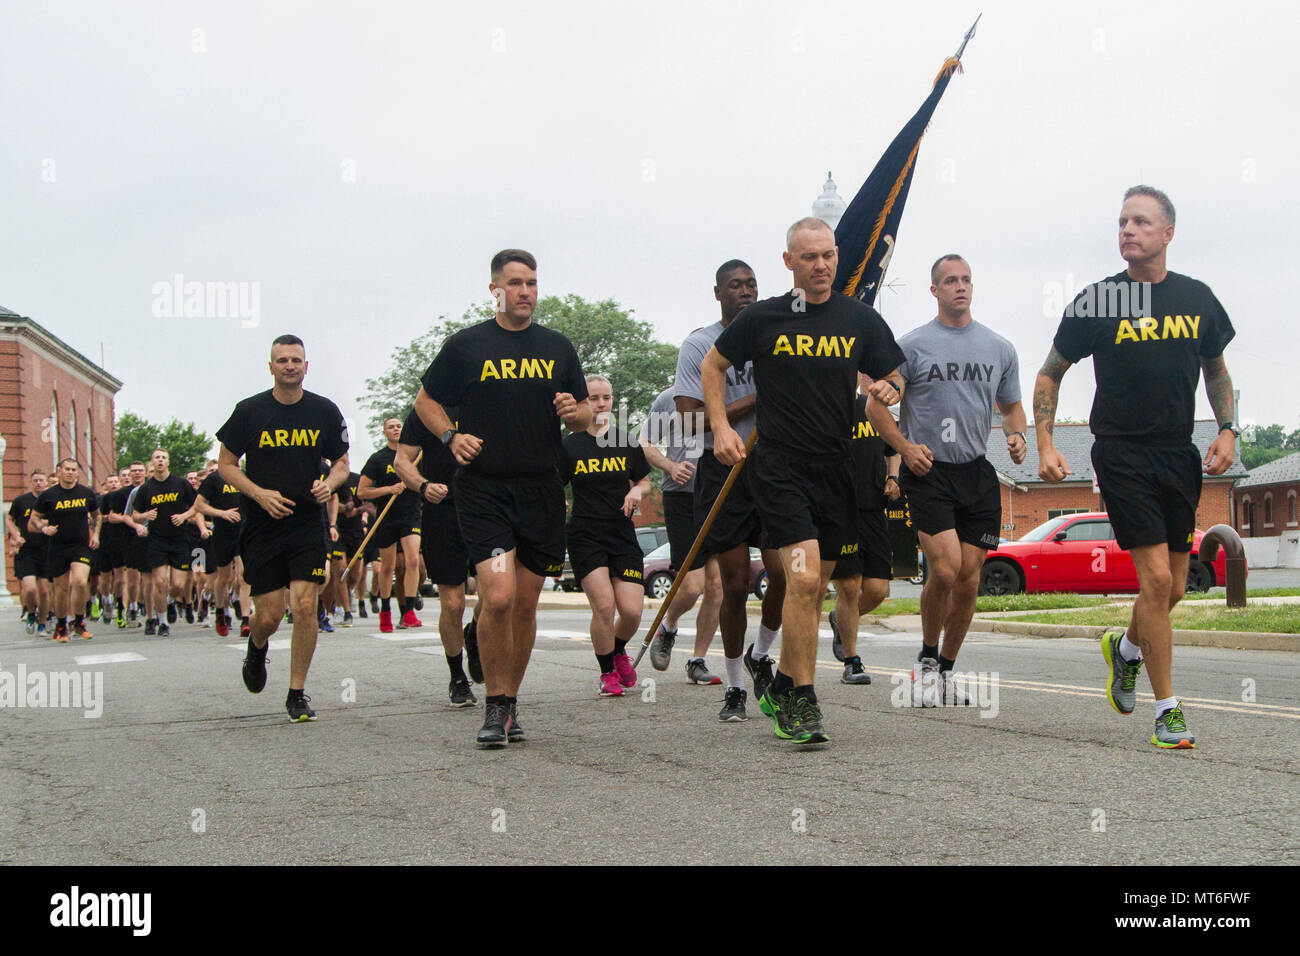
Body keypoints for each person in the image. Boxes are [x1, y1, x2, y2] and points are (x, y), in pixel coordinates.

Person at [1034, 186, 1237, 750]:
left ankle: (1124, 651)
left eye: (1141, 222)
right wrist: (1046, 442)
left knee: (1170, 589)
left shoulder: (1197, 299)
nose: (1128, 230)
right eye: (1122, 221)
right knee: (1154, 580)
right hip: (1120, 452)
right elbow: (1051, 372)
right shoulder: (1096, 301)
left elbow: (1216, 370)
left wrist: (1228, 428)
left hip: (1178, 453)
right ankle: (1167, 710)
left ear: (1167, 233)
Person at [706, 218, 905, 744]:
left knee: (815, 590)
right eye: (809, 257)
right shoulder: (765, 317)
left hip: (837, 470)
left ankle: (784, 685)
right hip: (779, 468)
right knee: (806, 579)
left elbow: (895, 371)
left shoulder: (858, 318)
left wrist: (888, 387)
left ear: (837, 256)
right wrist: (722, 426)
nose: (821, 266)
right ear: (789, 261)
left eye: (828, 256)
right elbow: (713, 365)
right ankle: (803, 701)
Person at [413, 248, 590, 748]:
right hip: (484, 489)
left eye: (532, 283)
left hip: (542, 489)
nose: (526, 292)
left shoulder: (557, 347)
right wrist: (450, 437)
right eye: (515, 283)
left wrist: (570, 411)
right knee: (498, 596)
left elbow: (586, 419)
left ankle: (510, 701)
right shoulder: (466, 346)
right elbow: (425, 401)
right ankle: (493, 704)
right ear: (495, 289)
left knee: (526, 606)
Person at [867, 255, 1027, 706]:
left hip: (976, 471)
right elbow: (876, 407)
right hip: (929, 469)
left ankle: (945, 670)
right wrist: (904, 447)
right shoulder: (913, 346)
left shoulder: (998, 347)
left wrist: (1017, 435)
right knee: (946, 567)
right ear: (934, 290)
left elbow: (1012, 406)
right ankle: (926, 657)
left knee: (970, 579)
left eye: (966, 280)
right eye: (950, 281)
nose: (960, 287)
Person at [672, 260, 788, 722]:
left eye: (752, 285)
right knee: (736, 583)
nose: (745, 292)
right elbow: (688, 416)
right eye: (735, 286)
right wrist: (754, 401)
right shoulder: (700, 345)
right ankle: (736, 686)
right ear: (718, 293)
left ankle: (762, 654)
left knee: (783, 574)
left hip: (773, 466)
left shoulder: (772, 338)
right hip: (723, 467)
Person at [216, 334, 350, 722]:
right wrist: (258, 494)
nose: (289, 365)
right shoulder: (249, 411)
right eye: (282, 360)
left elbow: (341, 462)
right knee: (270, 615)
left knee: (306, 603)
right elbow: (225, 465)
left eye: (296, 360)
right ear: (271, 367)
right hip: (262, 524)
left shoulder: (324, 411)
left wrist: (331, 484)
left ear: (306, 367)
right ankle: (257, 647)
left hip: (307, 521)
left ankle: (297, 692)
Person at [563, 374, 651, 697]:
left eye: (606, 397)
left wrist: (638, 492)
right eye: (594, 398)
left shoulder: (626, 441)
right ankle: (606, 673)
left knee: (631, 611)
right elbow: (551, 486)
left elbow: (644, 481)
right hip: (586, 535)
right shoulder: (569, 445)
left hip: (621, 535)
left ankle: (617, 650)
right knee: (604, 606)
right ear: (582, 402)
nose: (601, 403)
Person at [639, 387, 723, 686]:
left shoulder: (728, 390)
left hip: (720, 494)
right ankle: (669, 626)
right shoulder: (670, 398)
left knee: (716, 586)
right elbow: (645, 442)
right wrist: (670, 466)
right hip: (682, 498)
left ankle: (697, 661)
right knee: (691, 587)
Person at [396, 405, 479, 705]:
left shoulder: (486, 396)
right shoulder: (425, 409)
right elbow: (401, 460)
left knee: (500, 595)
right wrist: (423, 485)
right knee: (454, 603)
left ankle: (478, 633)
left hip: (487, 507)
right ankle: (457, 676)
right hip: (442, 511)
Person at [828, 380, 903, 684]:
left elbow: (894, 446)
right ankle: (851, 661)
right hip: (840, 510)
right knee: (848, 586)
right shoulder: (827, 411)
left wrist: (893, 476)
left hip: (874, 509)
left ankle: (840, 619)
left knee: (877, 590)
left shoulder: (872, 410)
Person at [357, 418, 424, 633]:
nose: (396, 429)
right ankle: (385, 612)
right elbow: (362, 492)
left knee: (413, 560)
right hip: (386, 517)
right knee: (387, 567)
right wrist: (389, 489)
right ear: (385, 432)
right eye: (391, 427)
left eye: (399, 426)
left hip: (411, 514)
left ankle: (409, 612)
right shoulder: (378, 459)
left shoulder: (416, 456)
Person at [132, 448, 205, 637]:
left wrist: (184, 516)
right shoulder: (146, 489)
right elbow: (135, 516)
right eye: (157, 458)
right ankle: (162, 622)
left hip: (179, 539)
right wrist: (145, 515)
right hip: (157, 540)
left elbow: (198, 506)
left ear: (168, 462)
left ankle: (172, 601)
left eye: (164, 458)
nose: (160, 461)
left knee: (178, 586)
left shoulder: (181, 483)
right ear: (153, 462)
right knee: (160, 582)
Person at [30, 458, 101, 641]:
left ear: (78, 472)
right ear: (59, 471)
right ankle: (61, 625)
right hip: (57, 547)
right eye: (67, 469)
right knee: (61, 589)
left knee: (79, 582)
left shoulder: (86, 493)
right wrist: (43, 528)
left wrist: (95, 535)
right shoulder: (48, 495)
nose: (70, 472)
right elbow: (34, 519)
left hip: (80, 545)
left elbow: (97, 516)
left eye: (73, 469)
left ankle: (79, 622)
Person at [189, 460, 244, 636]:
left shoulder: (244, 476)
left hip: (242, 533)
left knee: (243, 577)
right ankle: (214, 607)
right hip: (203, 540)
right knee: (208, 578)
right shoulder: (212, 481)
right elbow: (196, 509)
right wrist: (205, 527)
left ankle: (245, 618)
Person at [7, 469, 52, 635]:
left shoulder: (51, 500)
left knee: (45, 591)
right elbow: (9, 519)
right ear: (31, 482)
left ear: (46, 482)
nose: (39, 483)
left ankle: (42, 623)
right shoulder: (21, 501)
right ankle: (31, 613)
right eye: (36, 480)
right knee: (31, 589)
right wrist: (15, 535)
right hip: (27, 550)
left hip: (47, 550)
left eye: (41, 480)